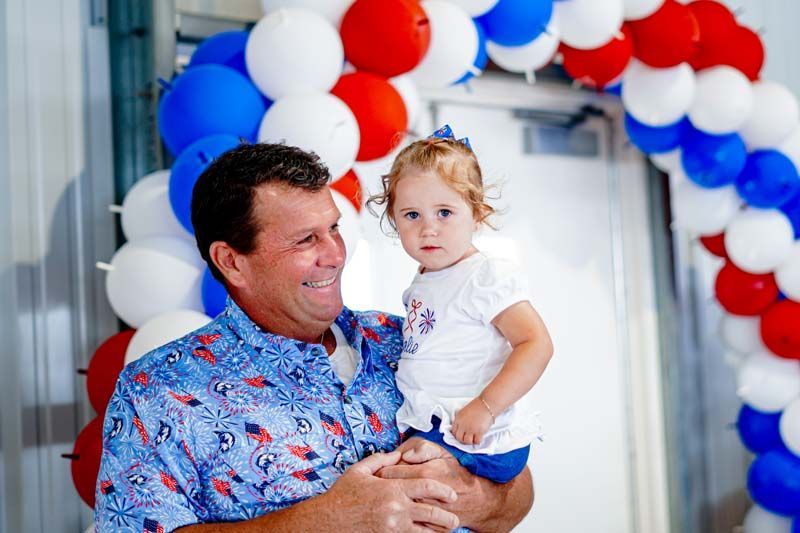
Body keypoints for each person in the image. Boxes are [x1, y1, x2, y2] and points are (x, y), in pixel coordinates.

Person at [94, 143, 533, 532]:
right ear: (231, 261)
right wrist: (328, 520)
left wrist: (465, 493)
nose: (335, 255)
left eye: (335, 229)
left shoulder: (404, 338)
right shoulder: (155, 392)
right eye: (306, 240)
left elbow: (520, 491)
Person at [367, 125, 554, 485]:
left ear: (477, 214)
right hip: (435, 422)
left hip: (477, 431)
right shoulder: (424, 279)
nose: (428, 229)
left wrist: (486, 407)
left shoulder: (485, 275)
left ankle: (440, 456)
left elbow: (537, 344)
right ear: (393, 219)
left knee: (398, 482)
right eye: (411, 215)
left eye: (445, 212)